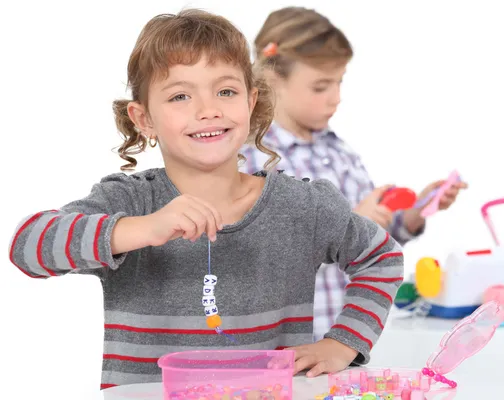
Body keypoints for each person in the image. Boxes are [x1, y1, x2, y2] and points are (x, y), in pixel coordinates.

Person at [7, 9, 404, 389]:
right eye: (180, 96)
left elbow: (382, 257)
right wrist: (141, 228)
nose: (208, 109)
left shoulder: (303, 206)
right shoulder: (130, 201)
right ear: (144, 119)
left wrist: (344, 342)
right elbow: (29, 246)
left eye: (226, 91)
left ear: (251, 102)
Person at [240, 7, 466, 340]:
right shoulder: (252, 160)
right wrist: (342, 228)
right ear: (273, 80)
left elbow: (373, 238)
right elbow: (253, 258)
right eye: (320, 87)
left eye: (339, 82)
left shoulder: (340, 153)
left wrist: (416, 212)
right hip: (287, 347)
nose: (336, 98)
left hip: (347, 340)